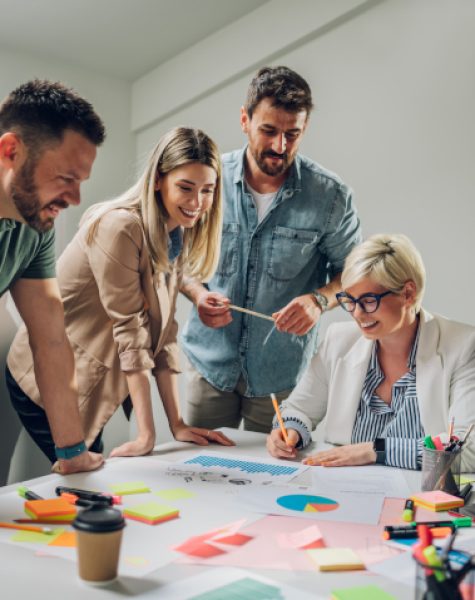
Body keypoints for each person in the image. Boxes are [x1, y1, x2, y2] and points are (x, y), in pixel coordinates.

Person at [7, 127, 234, 463]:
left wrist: (177, 425)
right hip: (44, 381)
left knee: (94, 480)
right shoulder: (121, 227)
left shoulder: (177, 235)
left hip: (91, 378)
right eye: (185, 188)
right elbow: (131, 330)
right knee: (86, 485)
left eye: (207, 190)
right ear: (158, 180)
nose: (196, 203)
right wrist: (147, 435)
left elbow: (163, 333)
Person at [181, 66, 362, 433]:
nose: (280, 146)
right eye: (269, 131)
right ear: (245, 120)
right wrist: (197, 294)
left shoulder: (331, 196)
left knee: (275, 482)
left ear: (304, 129)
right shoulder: (207, 180)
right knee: (200, 478)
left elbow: (356, 273)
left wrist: (319, 301)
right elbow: (174, 257)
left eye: (292, 134)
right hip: (209, 365)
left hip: (283, 375)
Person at [267, 234, 475, 471]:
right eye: (350, 301)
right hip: (342, 493)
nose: (357, 313)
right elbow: (298, 409)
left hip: (418, 498)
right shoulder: (339, 339)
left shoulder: (463, 345)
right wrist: (290, 430)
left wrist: (375, 450)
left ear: (408, 293)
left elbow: (468, 449)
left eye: (368, 300)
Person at [0, 79, 105, 474]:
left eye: (81, 182)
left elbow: (50, 340)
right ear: (11, 151)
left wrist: (72, 451)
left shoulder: (34, 228)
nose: (76, 198)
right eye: (66, 179)